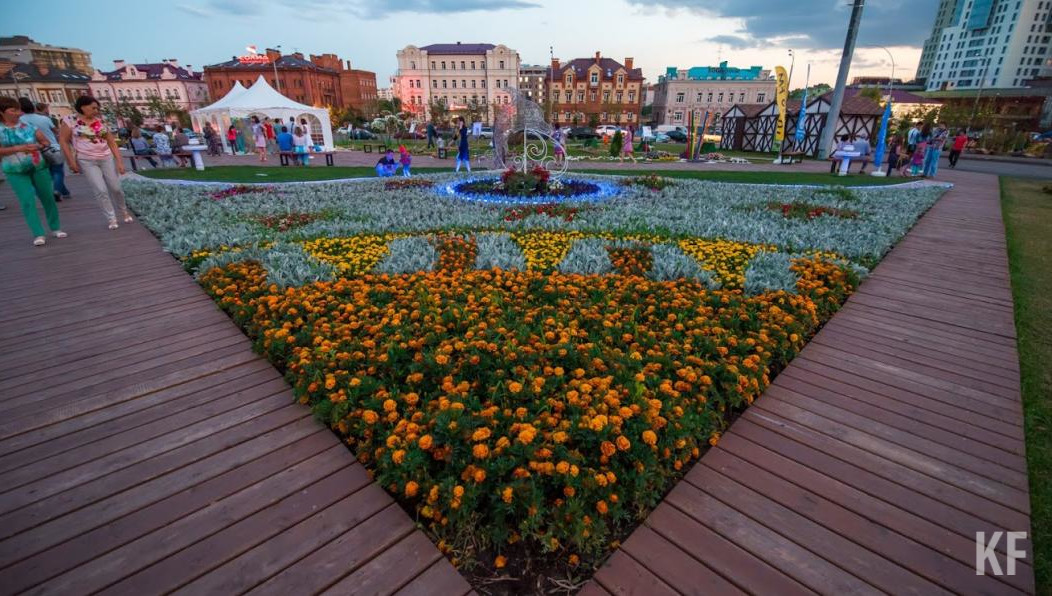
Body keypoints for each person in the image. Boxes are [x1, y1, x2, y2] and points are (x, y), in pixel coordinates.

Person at [0, 96, 65, 246]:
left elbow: (45, 142)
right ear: (2, 112)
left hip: (37, 166)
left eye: (18, 110)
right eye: (13, 110)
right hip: (14, 170)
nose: (18, 113)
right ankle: (38, 233)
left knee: (47, 196)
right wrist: (18, 148)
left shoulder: (27, 126)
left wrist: (39, 146)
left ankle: (55, 227)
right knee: (27, 201)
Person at [60, 95, 130, 230]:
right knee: (100, 189)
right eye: (93, 108)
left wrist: (119, 162)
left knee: (116, 188)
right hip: (86, 159)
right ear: (82, 107)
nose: (96, 111)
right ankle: (111, 218)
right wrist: (71, 161)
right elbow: (63, 141)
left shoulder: (100, 121)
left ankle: (123, 210)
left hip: (106, 157)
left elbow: (111, 142)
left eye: (97, 108)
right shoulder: (70, 121)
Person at [19, 98, 69, 202]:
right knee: (58, 171)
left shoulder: (19, 121)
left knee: (49, 172)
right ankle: (57, 190)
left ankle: (64, 192)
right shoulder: (44, 119)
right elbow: (56, 132)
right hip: (52, 148)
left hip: (34, 151)